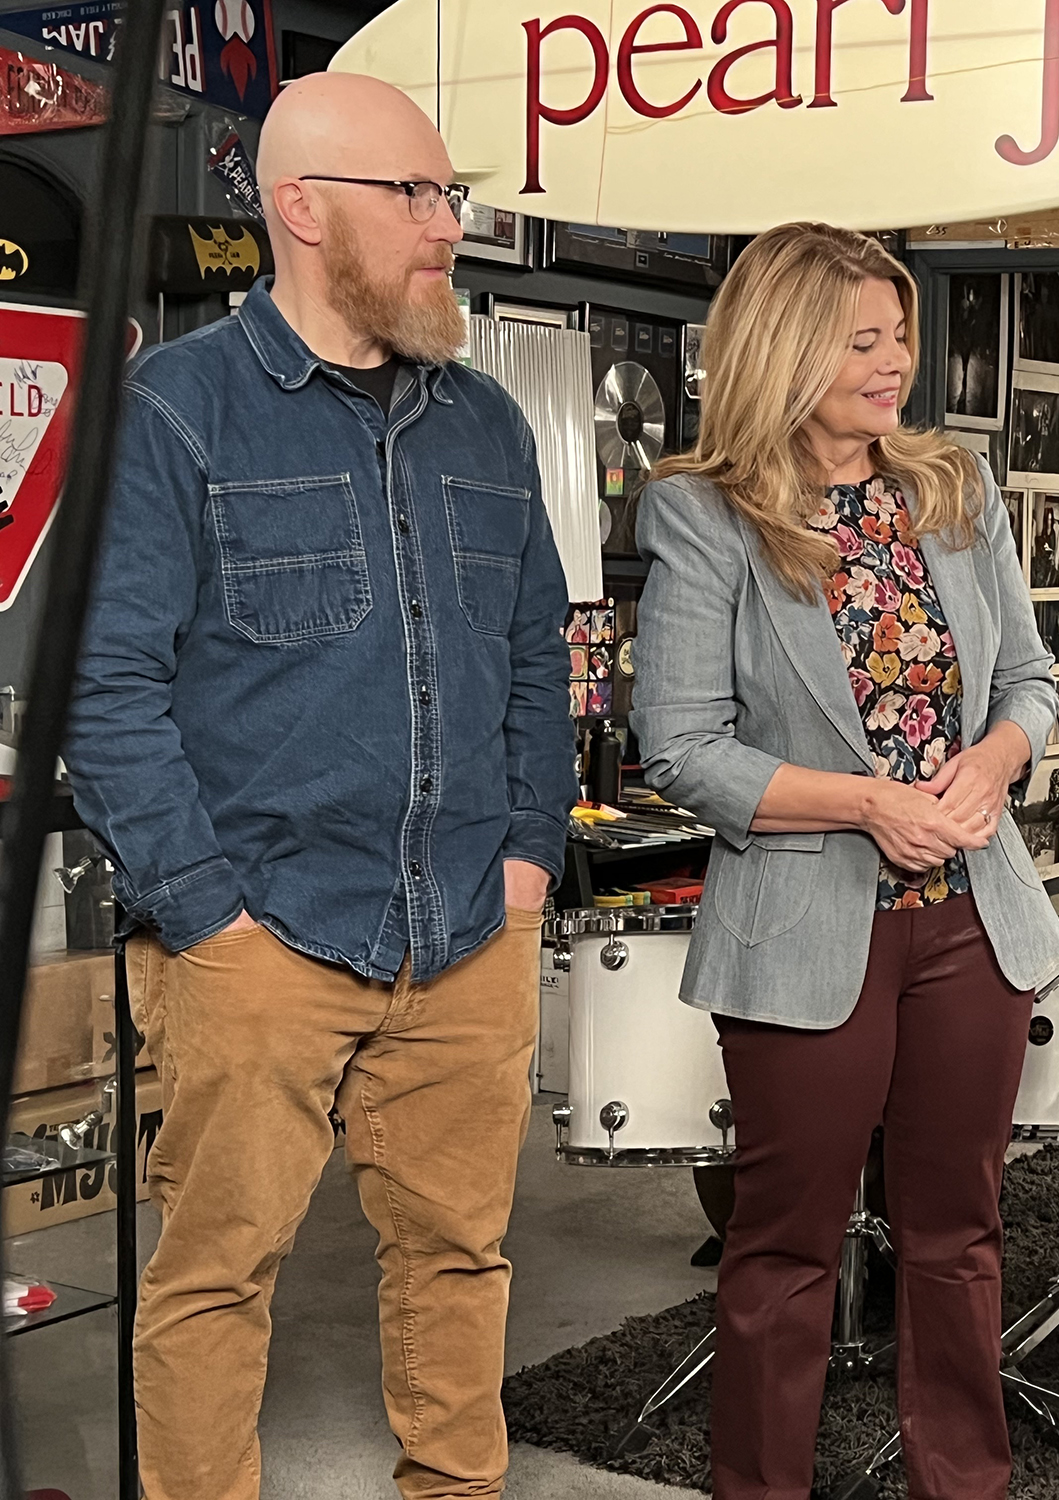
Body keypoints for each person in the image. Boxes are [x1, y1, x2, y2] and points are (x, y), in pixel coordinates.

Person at [64, 72, 572, 1500]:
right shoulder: (176, 413)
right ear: (300, 208)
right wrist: (202, 915)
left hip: (471, 924)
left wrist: (528, 861)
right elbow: (102, 693)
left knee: (463, 1261)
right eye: (412, 196)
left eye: (447, 195)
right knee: (217, 1279)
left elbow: (538, 657)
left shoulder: (484, 424)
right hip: (259, 937)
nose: (444, 227)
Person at [631, 223, 1059, 1500]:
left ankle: (961, 1486)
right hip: (804, 931)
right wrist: (869, 805)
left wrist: (995, 759)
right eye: (861, 340)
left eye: (900, 337)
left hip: (969, 925)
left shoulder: (954, 490)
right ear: (781, 347)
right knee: (783, 1253)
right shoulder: (704, 512)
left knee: (961, 1239)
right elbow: (681, 747)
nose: (893, 366)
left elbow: (1031, 684)